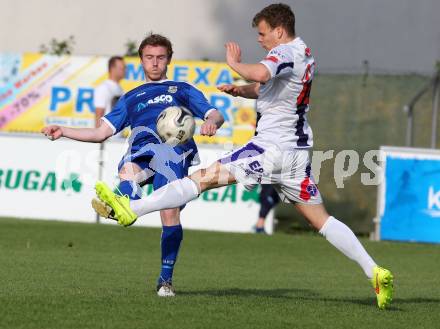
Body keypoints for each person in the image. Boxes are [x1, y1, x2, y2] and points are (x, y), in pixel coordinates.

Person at [93, 4, 394, 309]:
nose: (261, 40)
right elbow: (269, 86)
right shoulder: (304, 53)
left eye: (263, 34)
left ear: (279, 30)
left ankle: (133, 207)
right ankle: (375, 271)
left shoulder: (285, 52)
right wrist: (241, 91)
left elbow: (262, 71)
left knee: (200, 180)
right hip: (295, 156)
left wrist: (235, 63)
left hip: (269, 148)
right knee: (322, 220)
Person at [42, 33, 225, 297]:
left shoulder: (181, 90)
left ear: (169, 60)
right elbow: (100, 133)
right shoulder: (131, 97)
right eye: (149, 57)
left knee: (170, 214)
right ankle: (124, 204)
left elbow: (214, 113)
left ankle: (165, 280)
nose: (154, 63)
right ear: (141, 60)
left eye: (160, 57)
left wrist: (212, 123)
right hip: (141, 151)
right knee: (127, 171)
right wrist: (64, 130)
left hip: (174, 154)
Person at [94, 56, 125, 127]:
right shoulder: (104, 88)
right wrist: (100, 136)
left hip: (118, 136)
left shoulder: (120, 89)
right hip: (108, 136)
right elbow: (99, 114)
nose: (124, 70)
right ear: (112, 69)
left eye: (124, 68)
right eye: (122, 68)